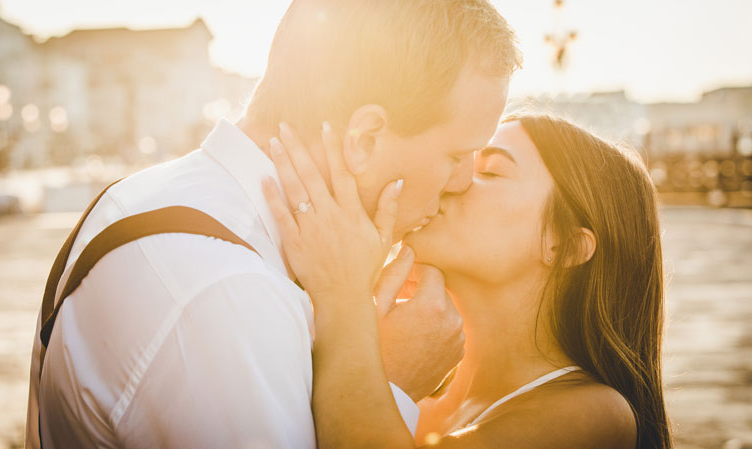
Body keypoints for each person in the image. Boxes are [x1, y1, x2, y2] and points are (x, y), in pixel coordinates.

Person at [24, 1, 520, 448]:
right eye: (456, 154)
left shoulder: (144, 196)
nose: (463, 181)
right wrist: (384, 383)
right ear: (365, 139)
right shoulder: (230, 293)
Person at [264, 113, 672, 448]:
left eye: (491, 172)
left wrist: (343, 295)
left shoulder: (596, 417)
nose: (453, 181)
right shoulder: (422, 378)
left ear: (564, 246)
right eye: (458, 160)